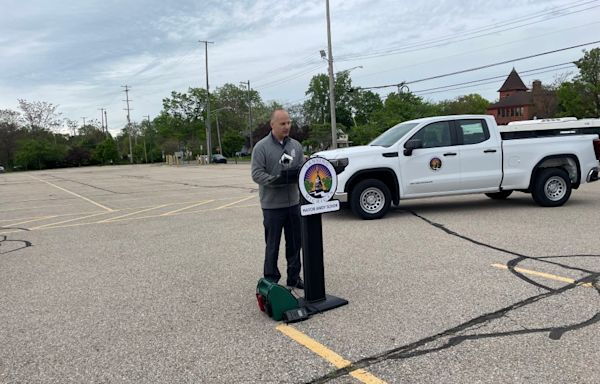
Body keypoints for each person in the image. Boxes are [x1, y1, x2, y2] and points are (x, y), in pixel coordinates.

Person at [251, 108, 305, 289]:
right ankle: (271, 280)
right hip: (272, 206)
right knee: (272, 245)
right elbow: (256, 174)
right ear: (272, 124)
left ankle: (294, 277)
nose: (287, 126)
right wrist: (274, 180)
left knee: (295, 243)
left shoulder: (296, 146)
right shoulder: (261, 147)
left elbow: (301, 168)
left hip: (293, 203)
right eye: (282, 123)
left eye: (289, 123)